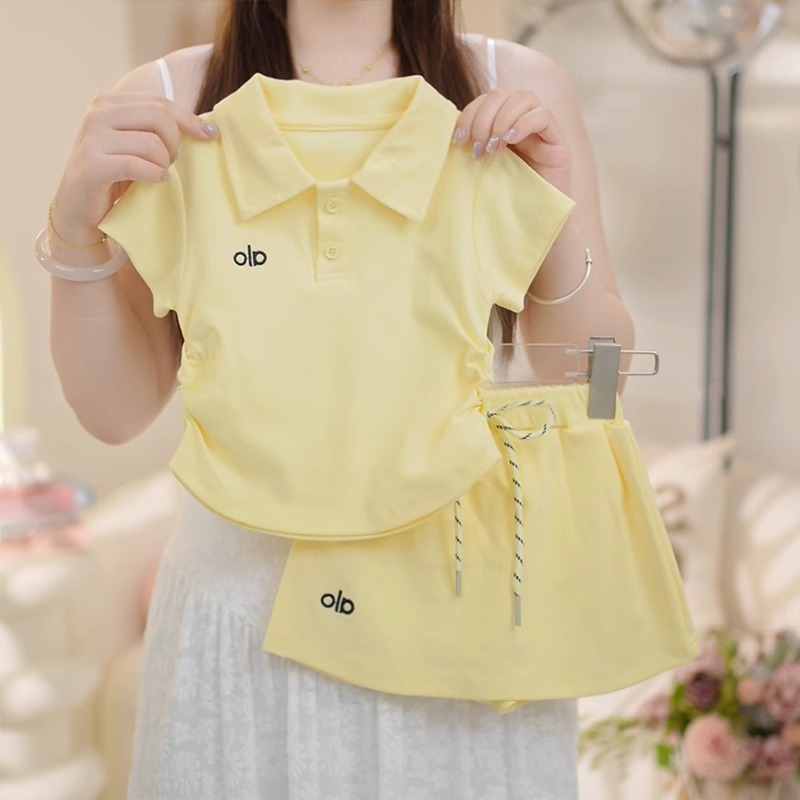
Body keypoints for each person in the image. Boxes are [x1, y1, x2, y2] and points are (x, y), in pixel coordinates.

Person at [44, 1, 638, 797]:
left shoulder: (512, 87)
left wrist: (551, 211)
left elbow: (590, 380)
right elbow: (113, 414)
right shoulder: (170, 103)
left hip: (460, 618)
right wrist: (73, 230)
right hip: (241, 624)